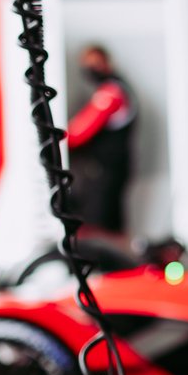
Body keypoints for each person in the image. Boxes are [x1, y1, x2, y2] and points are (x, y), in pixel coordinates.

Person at [66, 44, 136, 234]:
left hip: (106, 171)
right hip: (110, 169)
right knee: (109, 224)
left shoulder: (111, 92)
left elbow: (76, 134)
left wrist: (57, 136)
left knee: (100, 227)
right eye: (87, 64)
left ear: (107, 63)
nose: (91, 68)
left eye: (96, 63)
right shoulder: (113, 89)